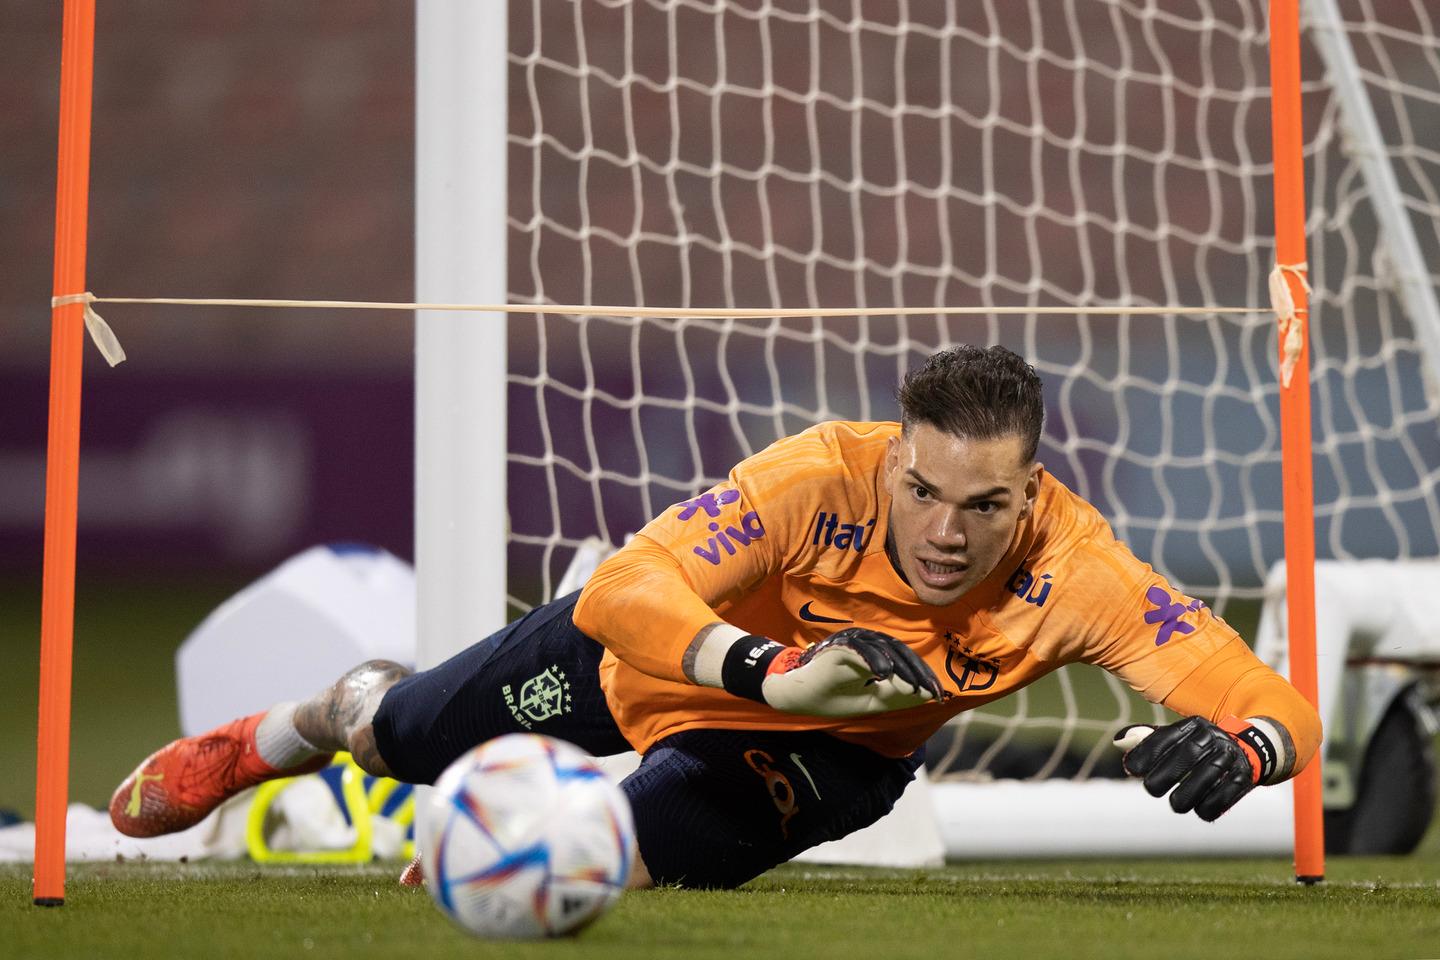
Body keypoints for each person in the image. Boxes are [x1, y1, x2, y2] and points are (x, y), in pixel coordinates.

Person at [111, 344, 1321, 889]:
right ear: (892, 462)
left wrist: (1249, 748)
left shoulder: (1082, 570)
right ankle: (315, 714)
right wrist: (770, 668)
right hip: (645, 665)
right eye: (926, 492)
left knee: (611, 856)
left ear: (1034, 491)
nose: (949, 530)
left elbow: (1273, 705)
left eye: (986, 504)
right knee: (397, 740)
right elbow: (627, 588)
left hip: (824, 759)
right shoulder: (815, 477)